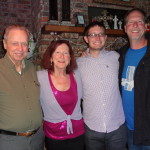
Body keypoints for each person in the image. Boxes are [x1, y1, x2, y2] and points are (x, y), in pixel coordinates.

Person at [77, 21, 127, 150]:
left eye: (101, 34)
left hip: (117, 127)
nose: (97, 38)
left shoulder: (117, 58)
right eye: (93, 35)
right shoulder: (78, 64)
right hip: (91, 128)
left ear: (105, 38)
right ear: (86, 39)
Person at [0, 24, 44, 150]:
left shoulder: (31, 67)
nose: (20, 48)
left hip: (37, 139)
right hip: (9, 142)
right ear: (5, 44)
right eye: (15, 43)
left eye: (24, 44)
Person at [37, 40, 85, 150]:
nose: (62, 56)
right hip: (54, 136)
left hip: (78, 133)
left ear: (70, 58)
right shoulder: (40, 77)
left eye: (66, 53)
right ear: (51, 57)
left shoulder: (77, 74)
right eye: (58, 52)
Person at [118, 8, 150, 150]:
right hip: (129, 130)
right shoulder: (120, 55)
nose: (135, 25)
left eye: (139, 21)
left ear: (146, 26)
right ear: (125, 28)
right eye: (131, 22)